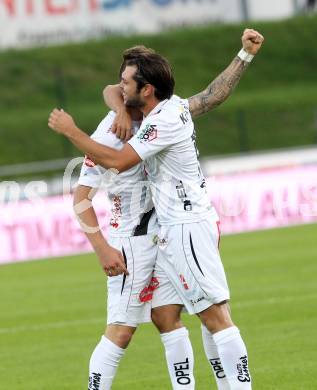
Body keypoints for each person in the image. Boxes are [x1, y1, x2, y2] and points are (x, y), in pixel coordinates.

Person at [49, 28, 264, 390]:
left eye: (126, 83)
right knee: (165, 317)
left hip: (183, 224)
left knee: (212, 314)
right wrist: (243, 55)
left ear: (145, 90)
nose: (119, 87)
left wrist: (71, 130)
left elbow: (119, 161)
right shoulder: (156, 109)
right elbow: (211, 95)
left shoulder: (161, 120)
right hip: (152, 235)